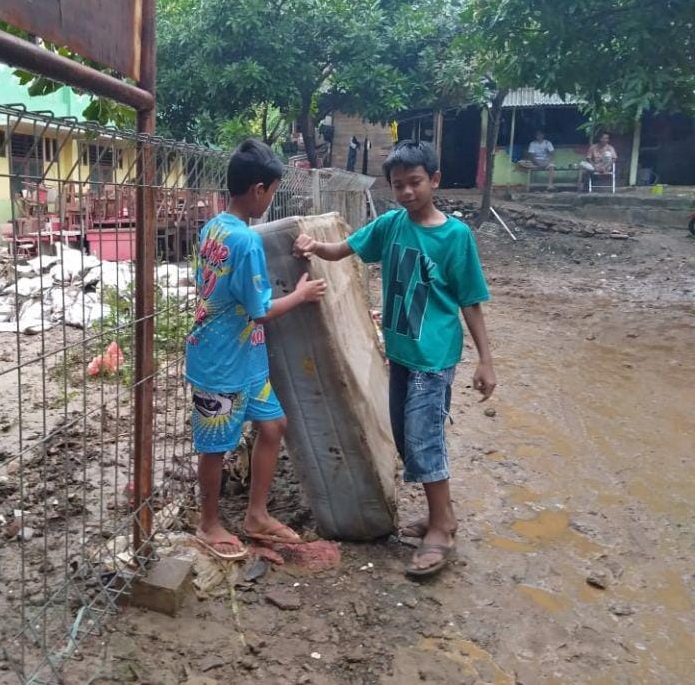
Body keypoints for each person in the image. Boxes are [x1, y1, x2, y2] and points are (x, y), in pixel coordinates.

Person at [293, 140, 496, 578]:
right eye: (398, 185)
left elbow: (471, 301)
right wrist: (311, 246)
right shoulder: (389, 226)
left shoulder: (454, 237)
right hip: (401, 354)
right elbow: (343, 249)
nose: (406, 192)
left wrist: (486, 360)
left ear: (435, 180)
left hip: (434, 356)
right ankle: (440, 514)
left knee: (424, 440)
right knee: (407, 439)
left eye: (415, 182)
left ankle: (442, 528)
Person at [186, 138, 327, 561]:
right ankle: (208, 523)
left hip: (244, 358)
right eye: (272, 191)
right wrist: (301, 295)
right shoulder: (245, 242)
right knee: (214, 447)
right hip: (220, 363)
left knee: (273, 425)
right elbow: (260, 310)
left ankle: (256, 515)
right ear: (259, 190)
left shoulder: (214, 227)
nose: (270, 200)